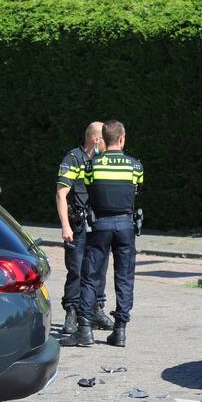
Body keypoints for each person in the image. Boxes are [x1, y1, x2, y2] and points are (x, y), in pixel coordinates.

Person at [62, 120, 144, 348]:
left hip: (100, 226)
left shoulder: (92, 165)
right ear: (122, 139)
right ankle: (120, 332)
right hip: (126, 226)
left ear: (103, 140)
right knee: (124, 278)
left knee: (90, 276)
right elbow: (136, 188)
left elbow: (89, 188)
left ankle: (85, 330)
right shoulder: (135, 166)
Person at [55, 123, 114, 335]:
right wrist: (65, 226)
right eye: (106, 140)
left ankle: (96, 309)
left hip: (100, 225)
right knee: (76, 270)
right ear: (96, 140)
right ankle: (72, 311)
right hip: (78, 225)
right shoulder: (73, 159)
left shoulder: (104, 162)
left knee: (99, 268)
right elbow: (61, 194)